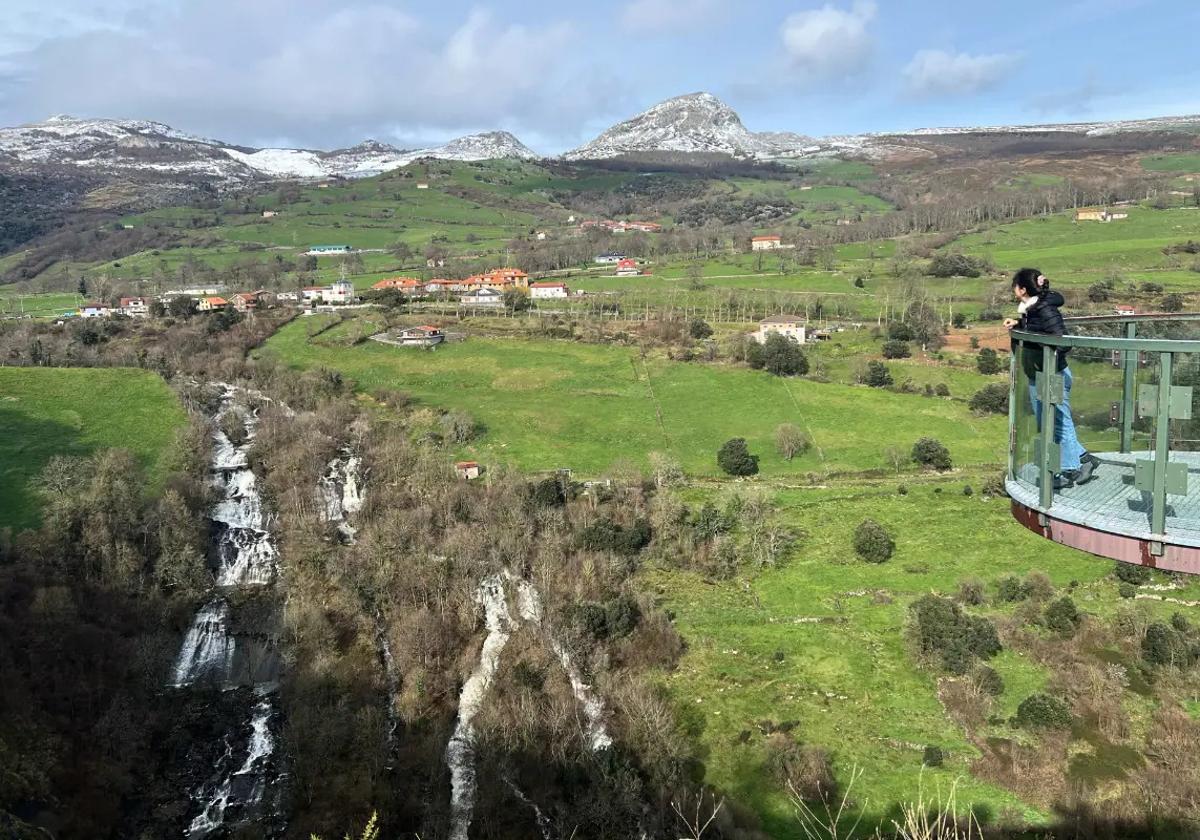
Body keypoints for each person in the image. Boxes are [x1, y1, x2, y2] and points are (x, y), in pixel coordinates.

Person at [1004, 268, 1099, 489]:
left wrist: (1036, 344)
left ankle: (1067, 471)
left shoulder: (1044, 308)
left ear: (1023, 289)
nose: (1013, 289)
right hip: (1038, 373)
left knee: (1058, 423)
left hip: (1052, 373)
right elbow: (1038, 329)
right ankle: (1085, 459)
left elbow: (1060, 340)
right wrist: (1018, 325)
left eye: (1015, 286)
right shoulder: (1033, 309)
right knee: (1049, 422)